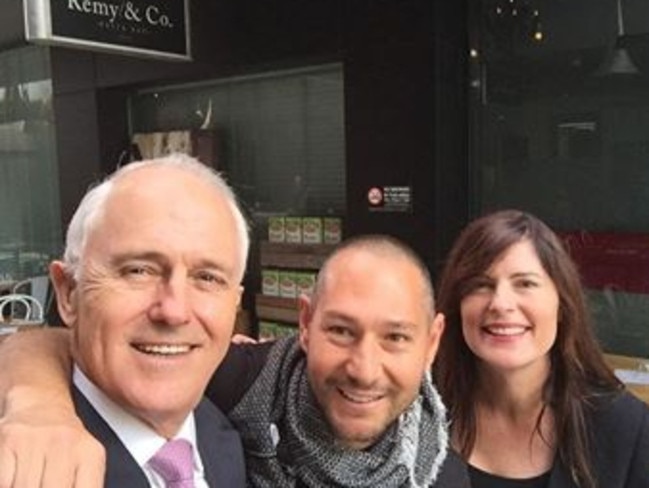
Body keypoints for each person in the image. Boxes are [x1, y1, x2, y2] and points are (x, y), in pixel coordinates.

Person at [0, 235, 471, 487]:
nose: (364, 368)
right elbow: (61, 343)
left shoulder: (440, 474)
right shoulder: (239, 382)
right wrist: (39, 406)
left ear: (431, 344)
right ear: (304, 324)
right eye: (341, 331)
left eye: (395, 338)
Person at [0, 153, 248, 487]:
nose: (174, 311)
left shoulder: (237, 428)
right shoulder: (20, 464)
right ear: (69, 291)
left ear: (235, 304)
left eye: (207, 278)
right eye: (138, 270)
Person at [433, 209, 649, 488]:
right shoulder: (415, 419)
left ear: (562, 305)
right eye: (480, 285)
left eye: (525, 284)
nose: (500, 303)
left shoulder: (626, 429)